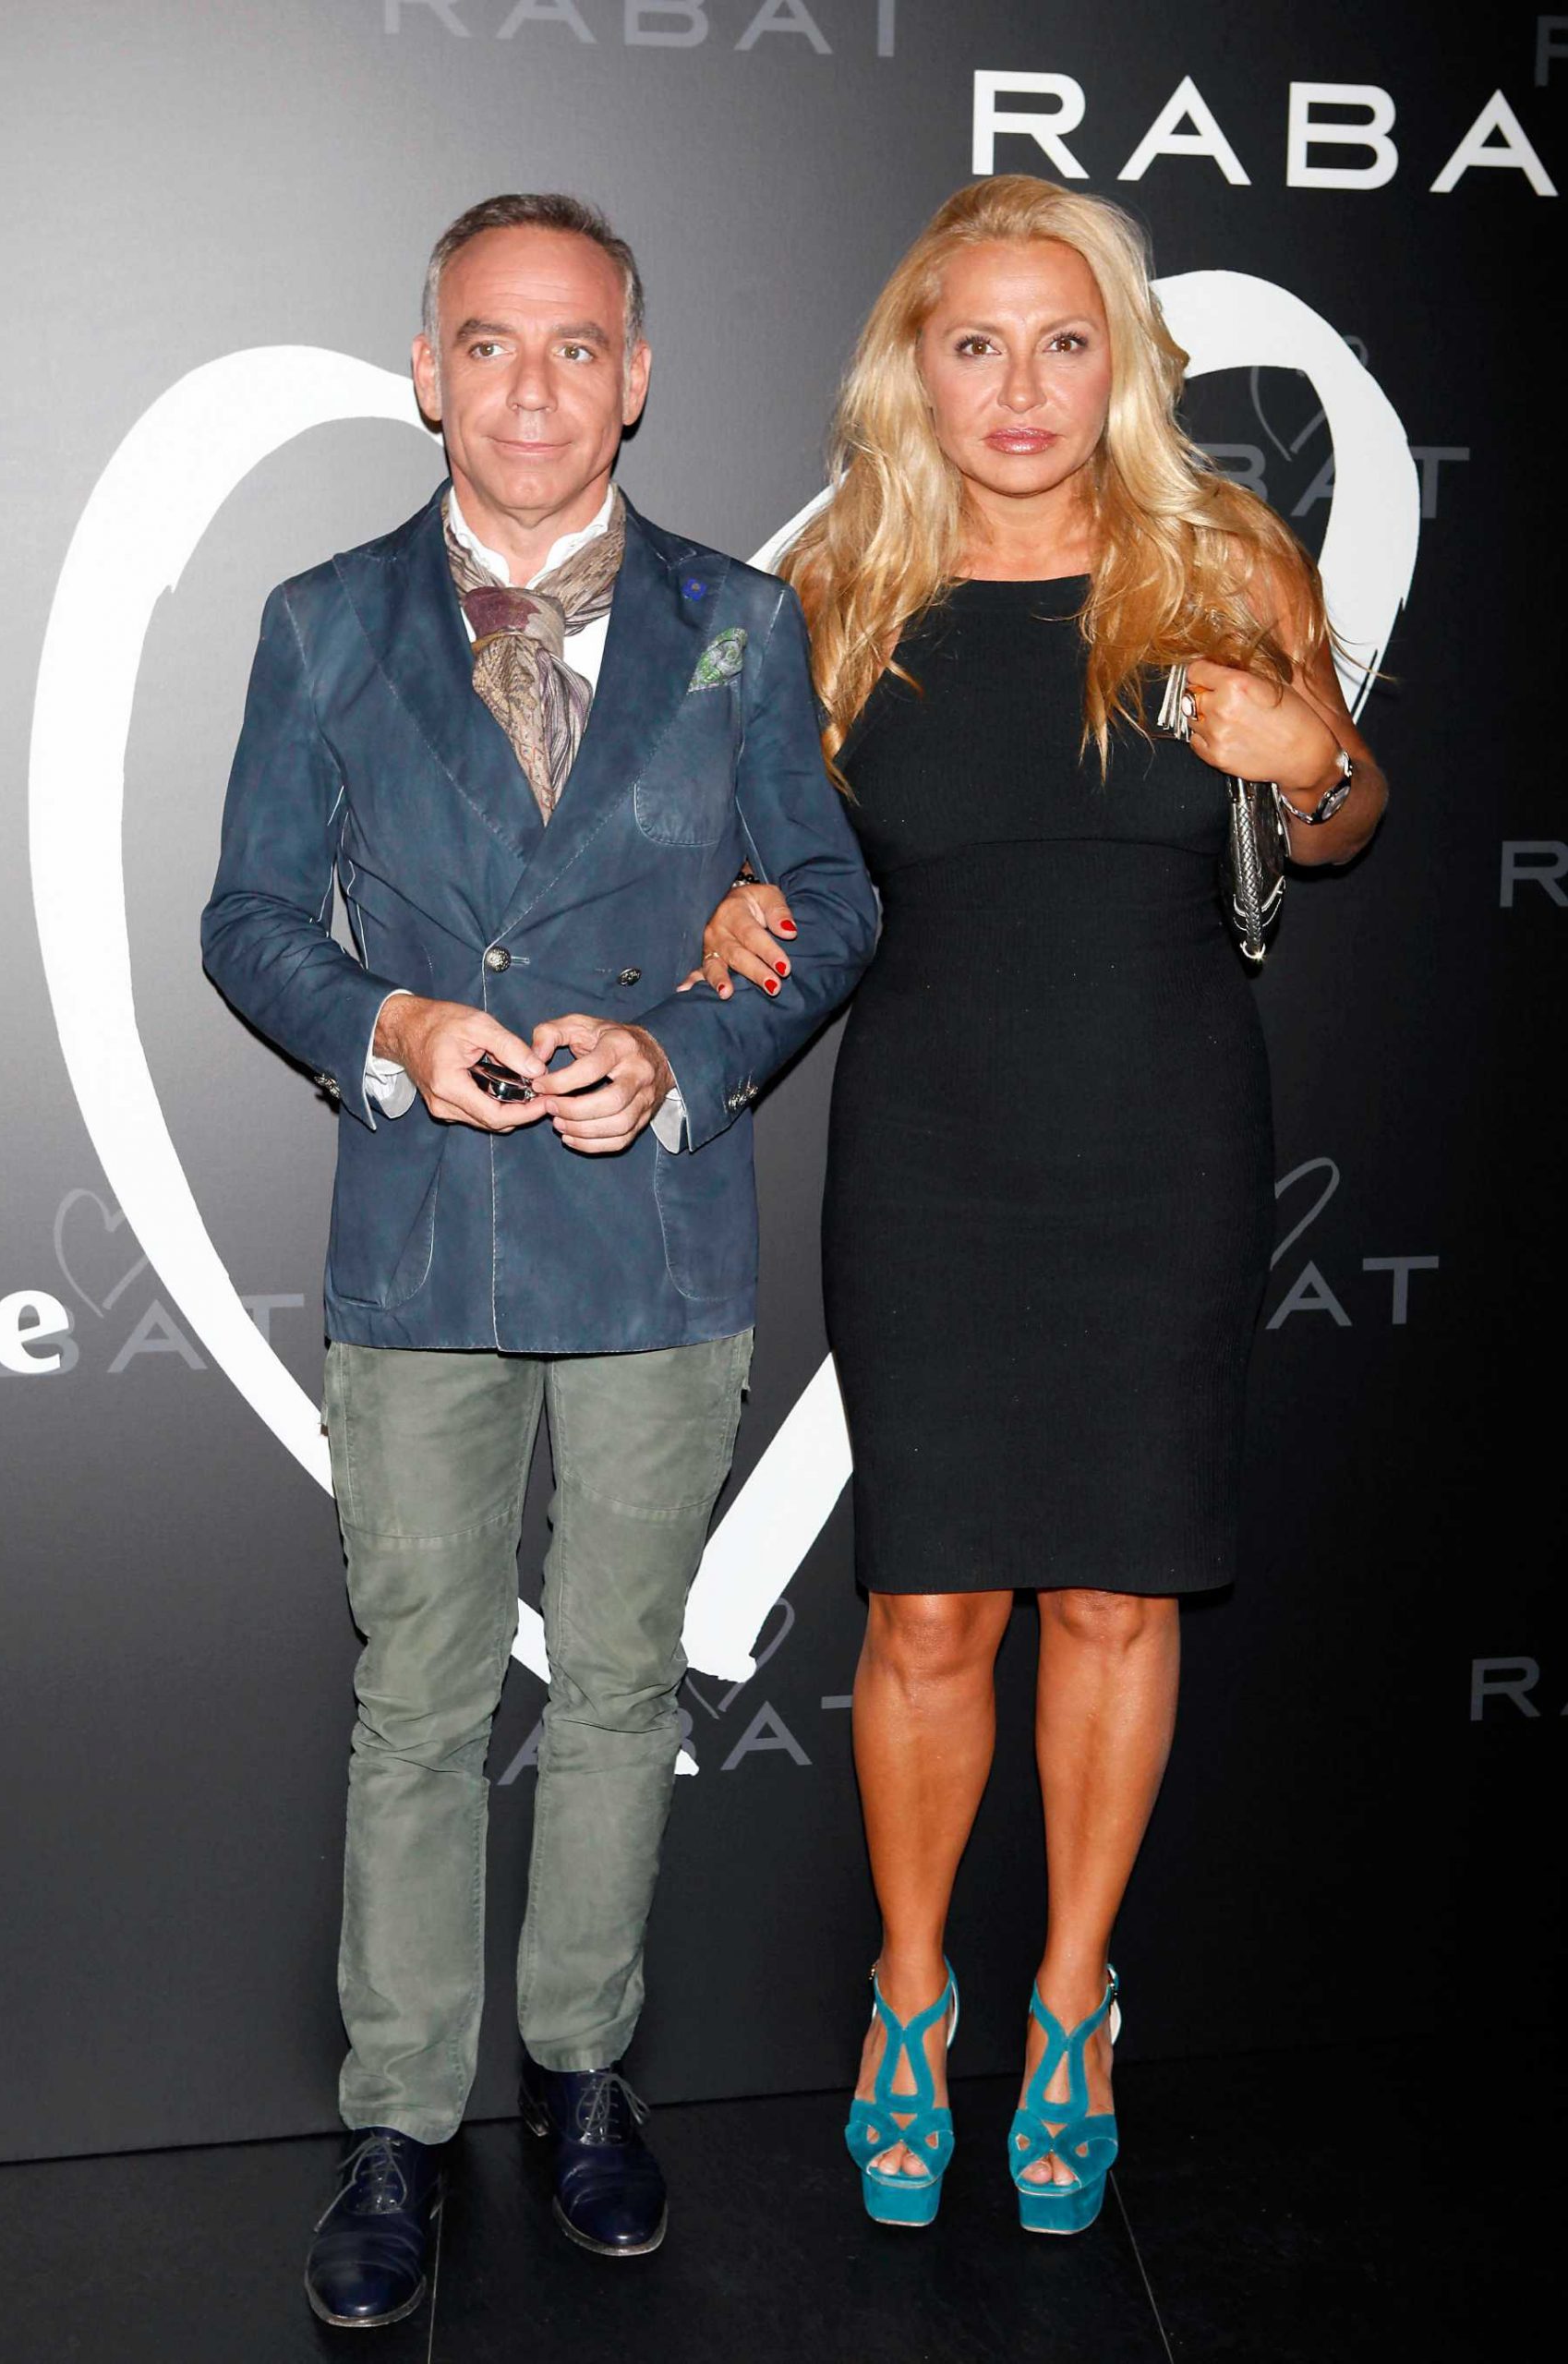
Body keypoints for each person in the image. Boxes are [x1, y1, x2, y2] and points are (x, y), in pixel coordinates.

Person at [202, 191, 877, 2326]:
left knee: (610, 1691)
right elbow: (245, 921)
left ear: (636, 376)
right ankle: (395, 2119)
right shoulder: (320, 621)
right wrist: (390, 1027)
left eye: (573, 345)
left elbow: (832, 903)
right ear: (427, 372)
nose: (527, 383)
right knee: (412, 1701)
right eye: (487, 343)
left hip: (655, 1228)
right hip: (416, 1234)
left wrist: (680, 1047)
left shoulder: (738, 624)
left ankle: (584, 2076)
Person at [688, 175, 1387, 2235]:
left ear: (1120, 363)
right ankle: (914, 1993)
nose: (1016, 383)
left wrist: (1308, 745)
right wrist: (737, 899)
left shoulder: (1219, 555)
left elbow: (1341, 818)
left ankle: (1069, 1998)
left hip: (1158, 1134)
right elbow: (776, 873)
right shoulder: (839, 587)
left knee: (1112, 1592)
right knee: (924, 1604)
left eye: (1060, 339)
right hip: (931, 1139)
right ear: (913, 364)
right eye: (973, 341)